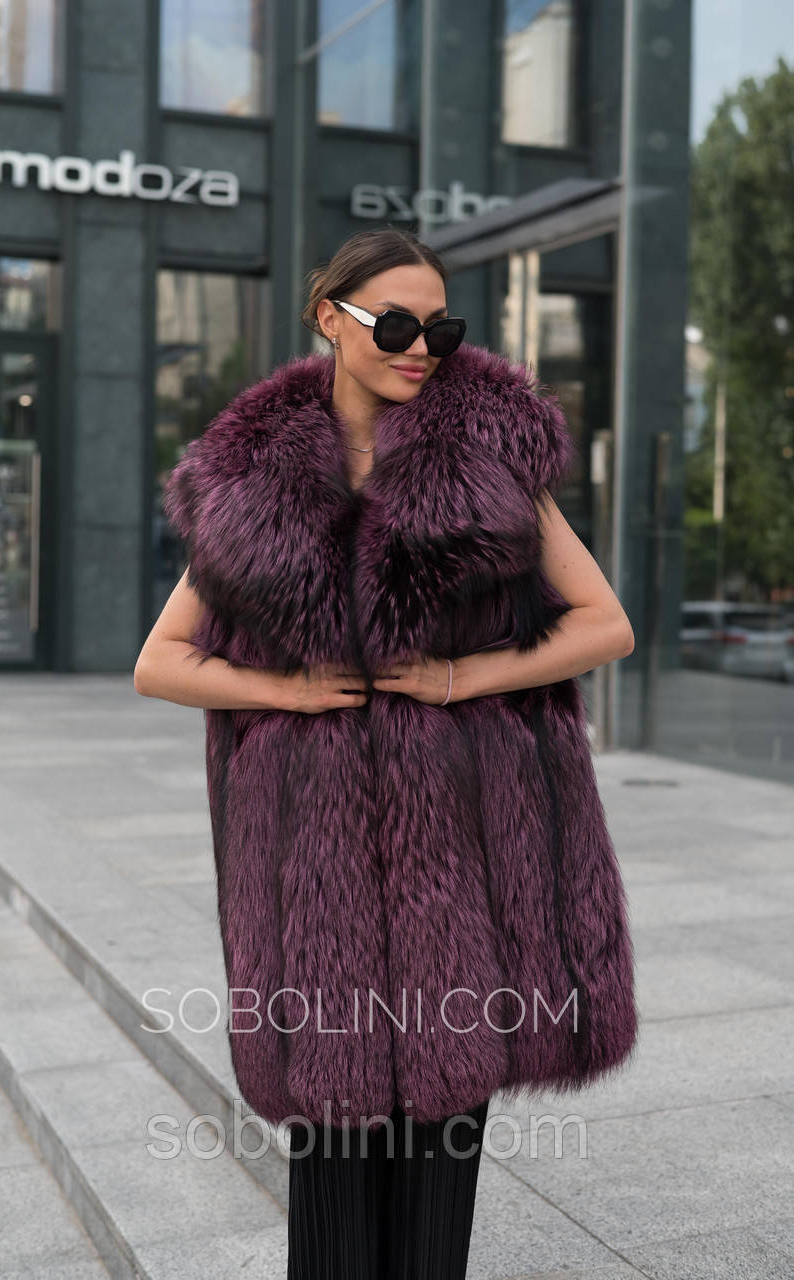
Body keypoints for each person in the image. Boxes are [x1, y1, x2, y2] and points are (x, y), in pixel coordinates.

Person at [134, 228, 638, 1278]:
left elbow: (606, 624)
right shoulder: (252, 485)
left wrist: (462, 677)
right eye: (397, 324)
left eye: (440, 330)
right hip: (313, 875)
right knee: (332, 1182)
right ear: (330, 317)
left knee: (440, 1174)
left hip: (459, 860)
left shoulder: (489, 464)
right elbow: (161, 660)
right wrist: (284, 690)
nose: (421, 349)